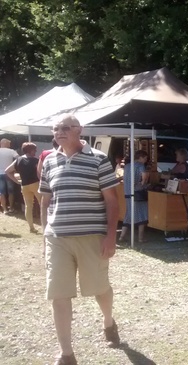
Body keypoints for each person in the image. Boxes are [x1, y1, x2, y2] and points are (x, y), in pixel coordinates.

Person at [39, 114, 121, 365]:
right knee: (59, 294)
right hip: (58, 237)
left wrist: (110, 236)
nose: (60, 132)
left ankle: (108, 321)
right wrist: (44, 232)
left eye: (66, 127)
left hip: (91, 236)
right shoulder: (50, 161)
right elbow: (45, 199)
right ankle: (66, 354)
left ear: (79, 130)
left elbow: (111, 200)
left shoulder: (98, 160)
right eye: (56, 128)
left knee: (99, 288)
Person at [5, 142, 42, 233]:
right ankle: (45, 225)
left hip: (24, 185)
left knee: (28, 206)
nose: (36, 151)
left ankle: (31, 228)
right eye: (34, 149)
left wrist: (16, 181)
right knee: (43, 205)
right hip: (36, 184)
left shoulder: (18, 160)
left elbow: (7, 171)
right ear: (30, 150)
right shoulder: (35, 160)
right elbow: (40, 174)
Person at [118, 150, 150, 243]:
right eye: (145, 158)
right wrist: (143, 183)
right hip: (137, 192)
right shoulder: (140, 165)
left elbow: (124, 177)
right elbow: (144, 176)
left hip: (127, 192)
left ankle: (121, 236)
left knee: (128, 214)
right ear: (140, 157)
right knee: (142, 214)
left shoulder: (127, 166)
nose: (145, 160)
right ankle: (140, 238)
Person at [0, 138, 19, 213]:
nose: (10, 145)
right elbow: (18, 159)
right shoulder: (11, 151)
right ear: (4, 143)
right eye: (8, 143)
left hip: (0, 173)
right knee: (11, 191)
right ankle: (11, 208)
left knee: (2, 192)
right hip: (9, 174)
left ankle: (4, 209)